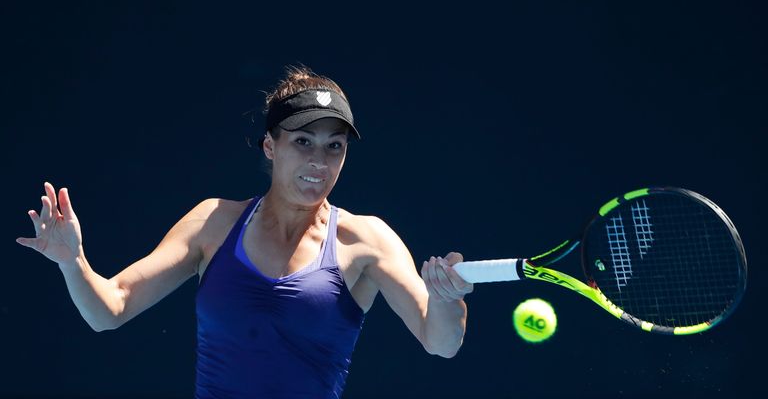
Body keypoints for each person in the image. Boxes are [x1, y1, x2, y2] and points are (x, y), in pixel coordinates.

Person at [16, 66, 473, 399]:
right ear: (271, 147)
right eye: (303, 142)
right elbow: (110, 308)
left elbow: (441, 342)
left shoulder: (367, 240)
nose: (319, 161)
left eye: (334, 147)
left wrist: (449, 300)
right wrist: (71, 262)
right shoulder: (214, 222)